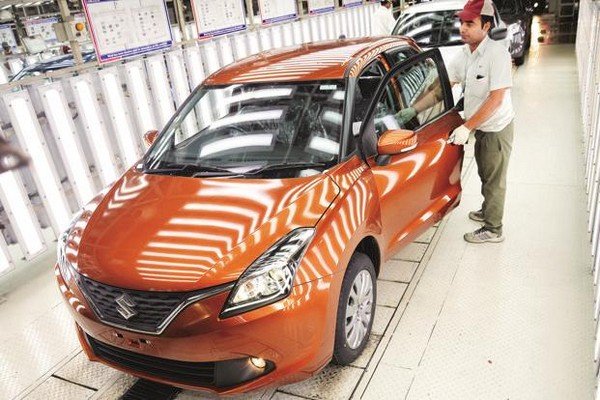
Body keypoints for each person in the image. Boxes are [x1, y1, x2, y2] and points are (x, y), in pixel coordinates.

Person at [448, 0, 515, 243]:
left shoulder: (497, 54)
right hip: (481, 126)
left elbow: (496, 98)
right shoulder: (466, 53)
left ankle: (493, 229)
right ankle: (488, 211)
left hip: (496, 128)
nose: (462, 28)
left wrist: (467, 126)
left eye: (469, 23)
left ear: (486, 26)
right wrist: (414, 108)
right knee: (486, 173)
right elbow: (445, 83)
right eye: (461, 22)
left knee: (494, 180)